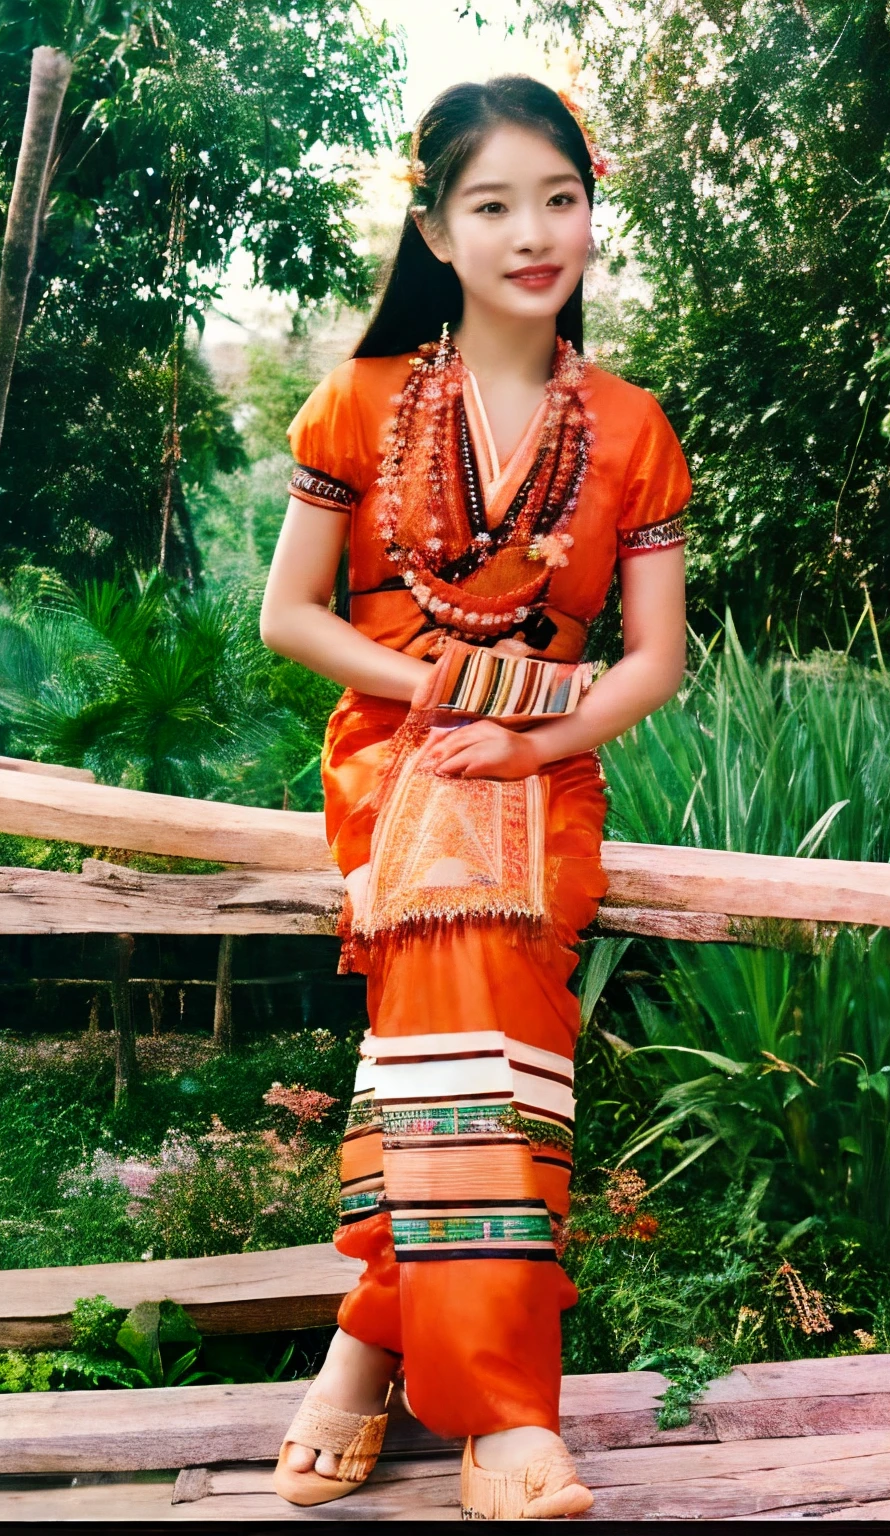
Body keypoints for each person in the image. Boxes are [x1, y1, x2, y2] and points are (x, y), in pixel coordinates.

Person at [259, 75, 690, 1521]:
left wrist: (529, 740)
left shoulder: (631, 426)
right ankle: (503, 1406)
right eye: (494, 205)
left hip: (545, 764)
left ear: (590, 206)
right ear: (437, 228)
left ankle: (368, 1341)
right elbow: (291, 619)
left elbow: (654, 660)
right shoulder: (361, 399)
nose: (532, 232)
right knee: (460, 935)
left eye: (558, 199)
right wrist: (448, 698)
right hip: (395, 751)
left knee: (475, 971)